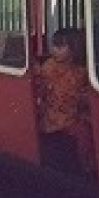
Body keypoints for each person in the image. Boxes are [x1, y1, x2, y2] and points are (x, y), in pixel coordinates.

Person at [34, 28, 95, 176]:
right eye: (54, 45)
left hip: (72, 110)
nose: (55, 50)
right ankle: (86, 167)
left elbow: (83, 93)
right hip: (56, 114)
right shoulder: (48, 67)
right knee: (83, 132)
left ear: (73, 49)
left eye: (61, 46)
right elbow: (47, 90)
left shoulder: (80, 71)